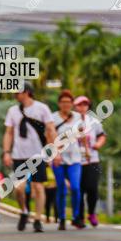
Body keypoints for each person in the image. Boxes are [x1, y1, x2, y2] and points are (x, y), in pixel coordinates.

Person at [3, 82, 56, 233]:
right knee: (19, 189)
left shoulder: (42, 108)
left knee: (38, 187)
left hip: (38, 155)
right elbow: (9, 133)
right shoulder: (12, 111)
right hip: (19, 155)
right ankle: (24, 211)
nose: (15, 95)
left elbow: (51, 130)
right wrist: (6, 152)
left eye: (18, 92)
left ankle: (38, 219)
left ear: (27, 92)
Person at [51, 89, 84, 230]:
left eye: (68, 102)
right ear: (59, 104)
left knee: (76, 188)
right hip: (58, 159)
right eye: (63, 102)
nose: (66, 104)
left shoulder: (77, 117)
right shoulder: (53, 118)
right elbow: (49, 137)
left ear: (72, 103)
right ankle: (62, 218)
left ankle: (76, 217)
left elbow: (81, 135)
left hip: (75, 158)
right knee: (62, 189)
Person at [74, 96, 106, 227]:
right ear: (75, 107)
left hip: (92, 160)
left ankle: (92, 213)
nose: (82, 107)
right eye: (79, 105)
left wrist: (98, 144)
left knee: (92, 188)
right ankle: (79, 217)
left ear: (88, 106)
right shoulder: (70, 121)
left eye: (85, 105)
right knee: (79, 190)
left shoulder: (93, 121)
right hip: (76, 160)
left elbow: (102, 135)